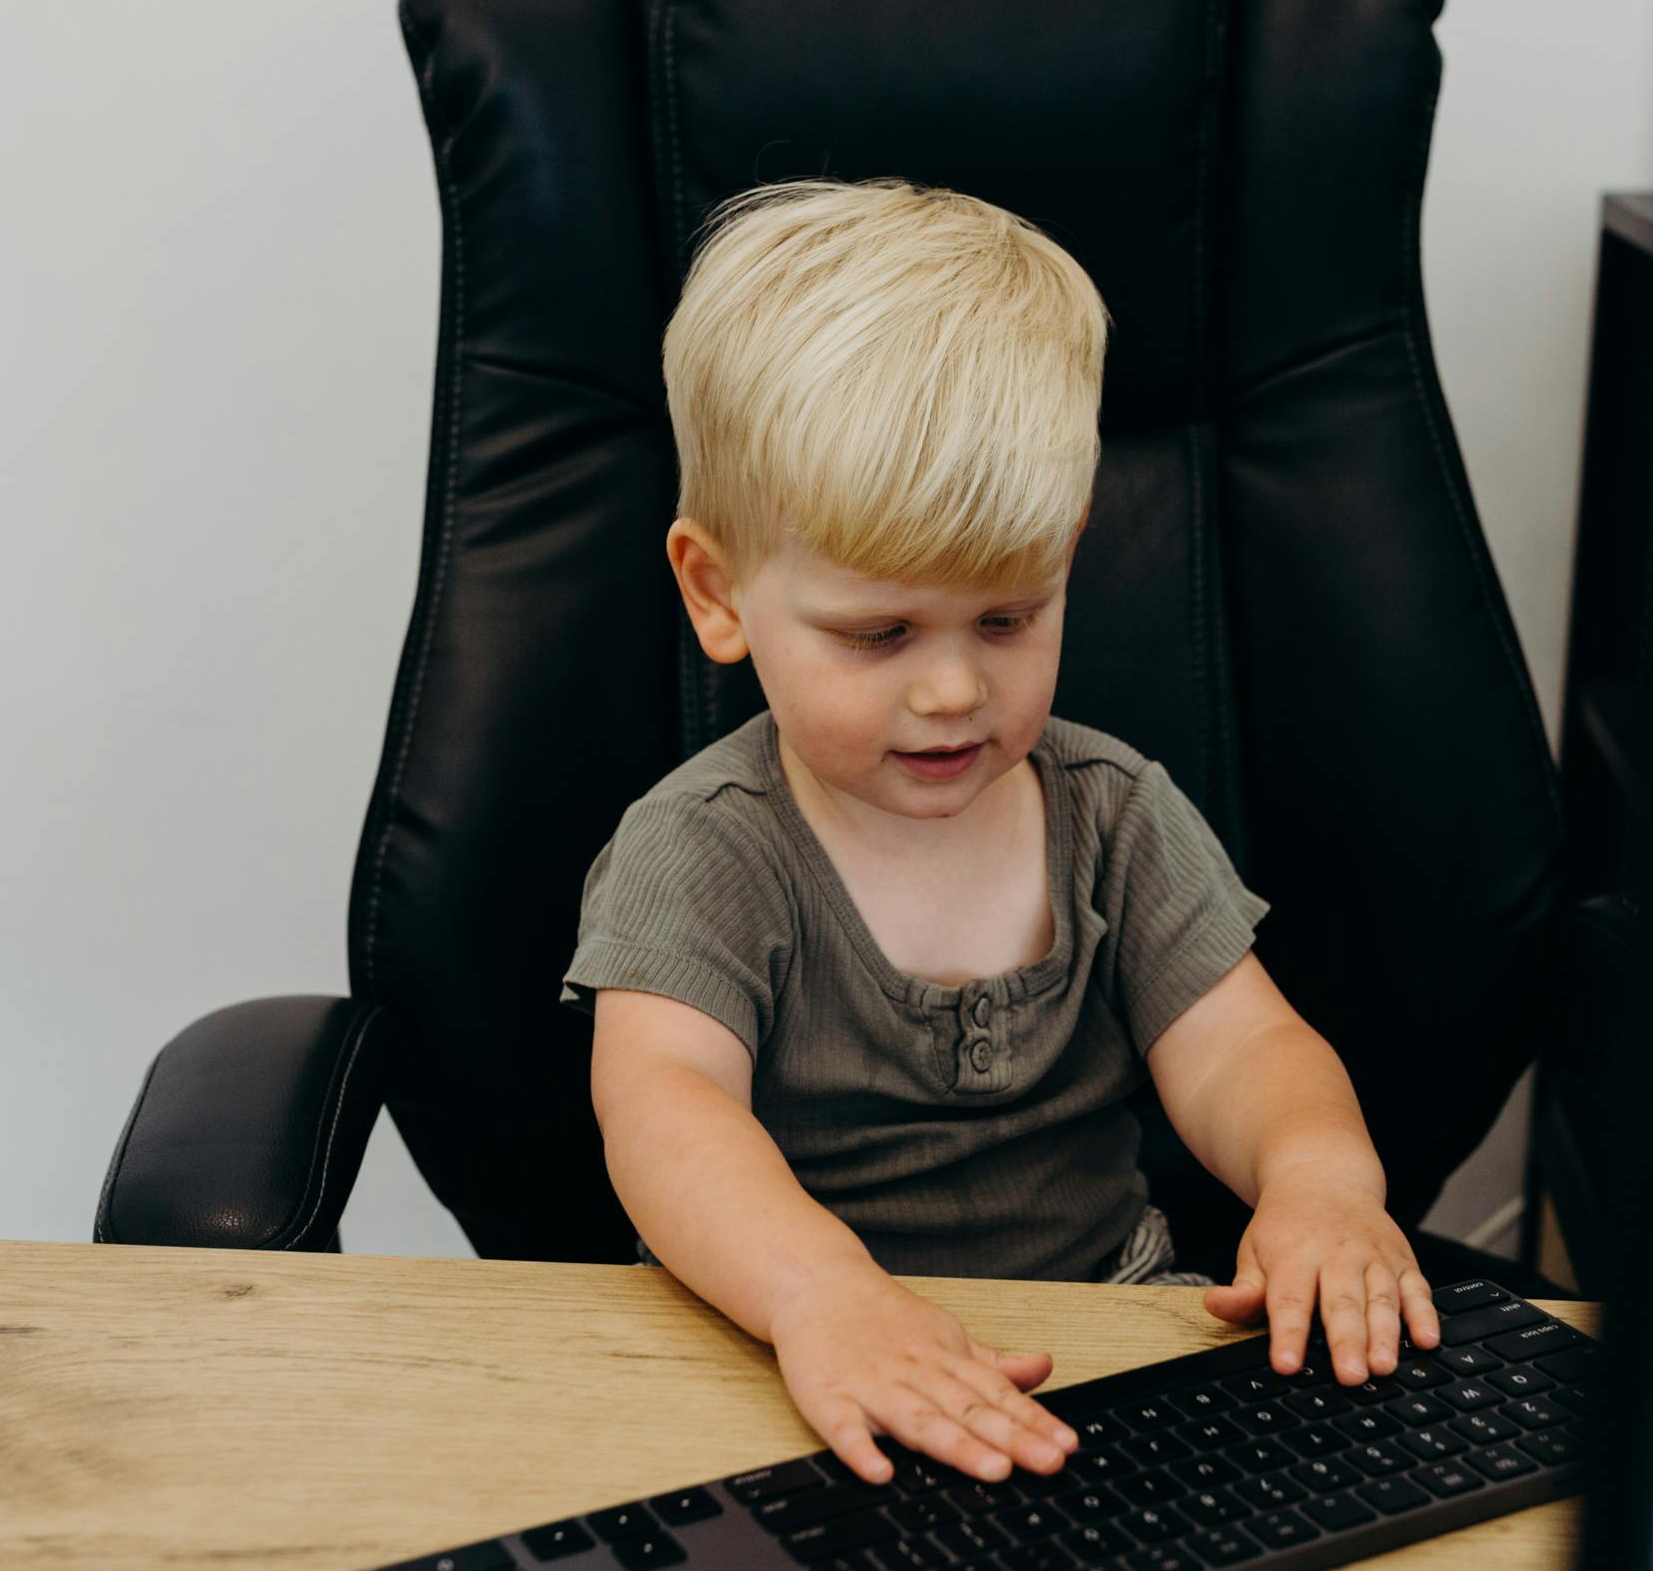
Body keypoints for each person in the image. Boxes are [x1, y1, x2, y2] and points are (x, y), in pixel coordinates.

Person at [558, 178, 1442, 1488]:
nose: (955, 691)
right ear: (717, 590)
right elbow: (663, 1107)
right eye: (881, 635)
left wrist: (1319, 1182)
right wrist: (819, 1297)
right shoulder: (703, 848)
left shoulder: (1114, 814)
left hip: (1099, 1335)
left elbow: (1246, 1046)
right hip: (780, 1346)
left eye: (1009, 619)